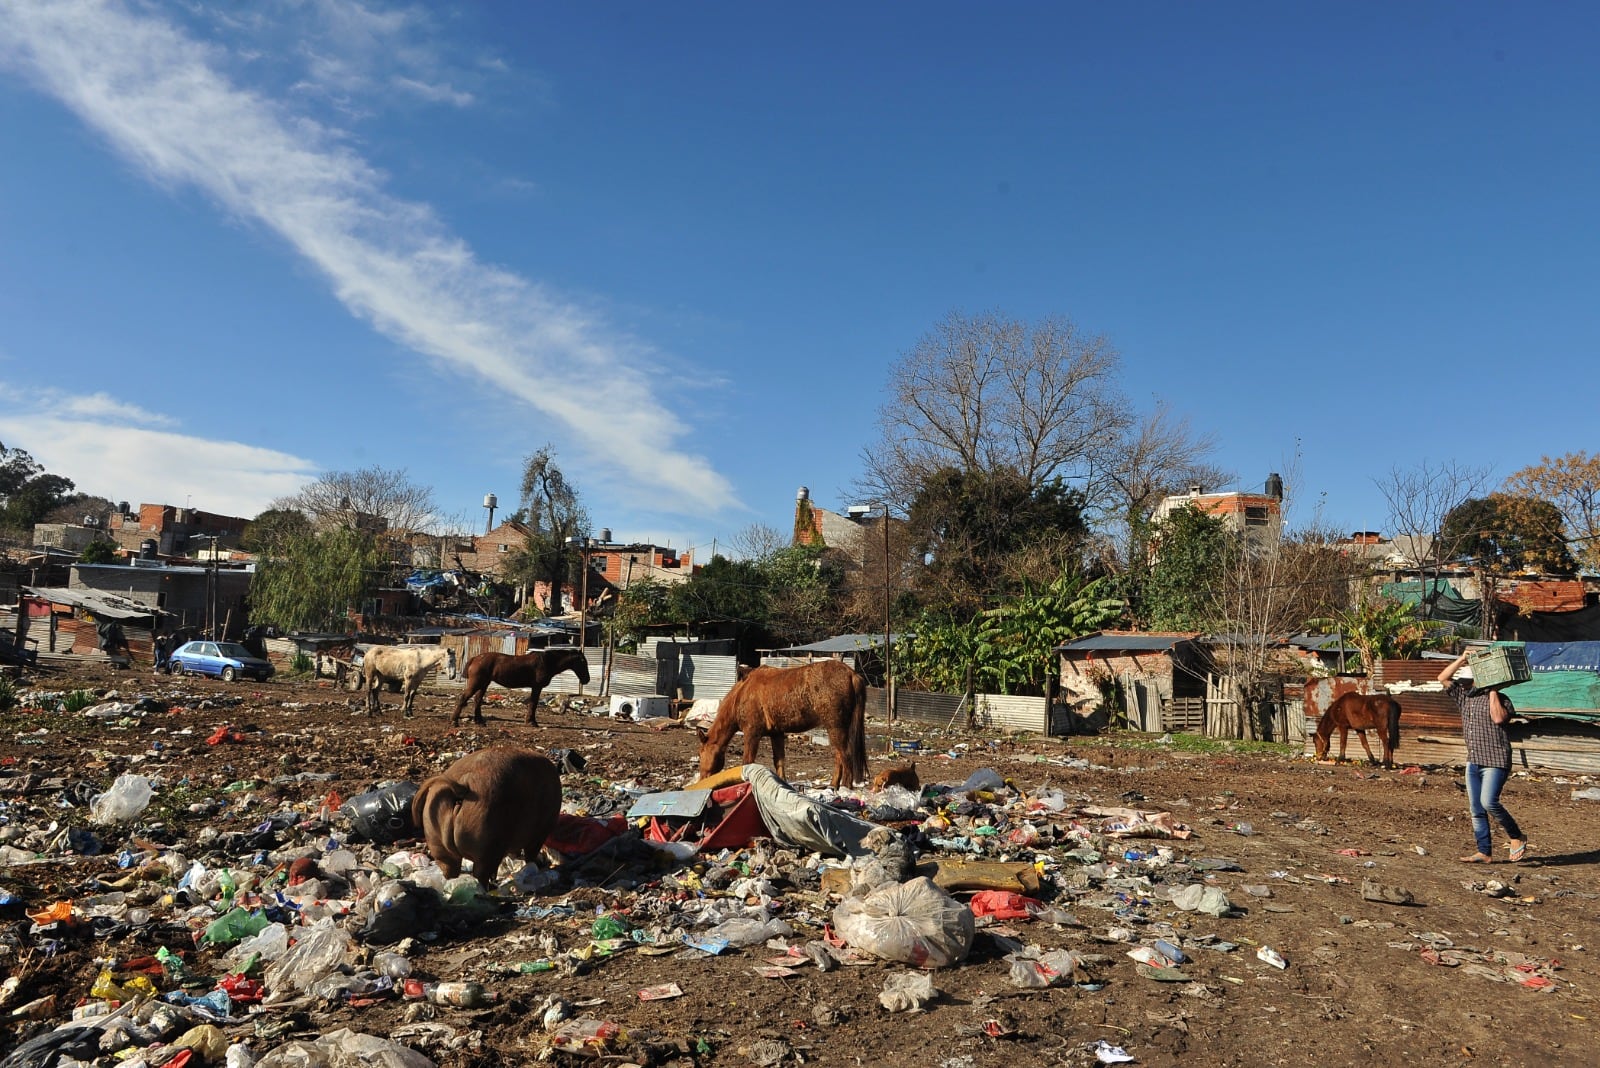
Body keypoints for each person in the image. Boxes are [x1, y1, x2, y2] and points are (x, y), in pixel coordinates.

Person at [1437, 650, 1529, 864]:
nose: (1466, 685)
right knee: (1476, 809)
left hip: (1495, 760)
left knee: (1489, 802)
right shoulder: (1463, 698)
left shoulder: (1502, 700)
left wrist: (1493, 690)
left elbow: (1498, 719)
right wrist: (1461, 658)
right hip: (1474, 760)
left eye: (1470, 682)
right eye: (1465, 682)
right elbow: (1442, 678)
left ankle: (1516, 836)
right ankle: (1484, 852)